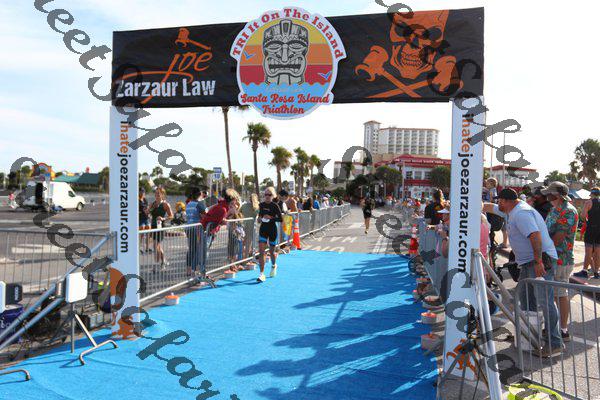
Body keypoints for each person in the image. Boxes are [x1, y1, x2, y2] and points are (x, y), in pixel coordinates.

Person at [483, 188, 562, 357]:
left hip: (539, 261)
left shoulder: (521, 214)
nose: (498, 203)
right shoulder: (511, 210)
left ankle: (554, 343)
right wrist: (473, 205)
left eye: (499, 201)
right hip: (528, 262)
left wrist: (539, 262)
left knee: (545, 301)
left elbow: (535, 236)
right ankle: (529, 335)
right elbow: (489, 207)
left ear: (506, 201)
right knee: (526, 299)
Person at [543, 182, 579, 341]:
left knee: (560, 295)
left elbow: (558, 238)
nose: (546, 196)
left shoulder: (568, 211)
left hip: (561, 260)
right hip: (552, 258)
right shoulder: (555, 209)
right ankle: (554, 326)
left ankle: (563, 330)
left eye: (549, 194)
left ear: (557, 195)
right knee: (553, 296)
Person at [256, 187, 283, 282]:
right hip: (263, 229)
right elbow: (259, 216)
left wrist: (271, 218)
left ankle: (274, 265)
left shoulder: (275, 206)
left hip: (272, 230)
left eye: (269, 195)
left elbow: (280, 219)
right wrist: (259, 219)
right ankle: (261, 274)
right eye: (266, 194)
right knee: (261, 252)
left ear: (273, 196)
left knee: (271, 252)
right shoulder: (261, 205)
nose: (267, 196)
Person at [575, 187, 600, 279]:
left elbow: (582, 216)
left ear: (591, 194)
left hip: (591, 228)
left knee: (588, 251)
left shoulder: (588, 202)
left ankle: (585, 271)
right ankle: (596, 272)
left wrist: (587, 220)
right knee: (598, 251)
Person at [149, 187, 173, 269]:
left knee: (155, 245)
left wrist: (163, 218)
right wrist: (147, 211)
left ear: (162, 194)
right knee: (157, 246)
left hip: (161, 227)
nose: (156, 195)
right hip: (153, 226)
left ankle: (156, 264)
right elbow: (148, 213)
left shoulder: (165, 204)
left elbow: (171, 216)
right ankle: (163, 261)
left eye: (158, 193)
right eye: (155, 193)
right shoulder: (153, 204)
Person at [185, 187, 207, 276]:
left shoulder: (188, 204)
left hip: (189, 228)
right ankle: (197, 270)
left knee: (191, 249)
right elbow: (205, 216)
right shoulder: (199, 204)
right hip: (197, 229)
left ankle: (188, 270)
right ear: (200, 194)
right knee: (199, 250)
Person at [139, 189, 151, 253]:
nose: (142, 193)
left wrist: (149, 213)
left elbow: (148, 208)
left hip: (146, 218)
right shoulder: (137, 200)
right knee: (142, 229)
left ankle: (147, 247)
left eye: (143, 192)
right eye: (141, 192)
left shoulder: (145, 200)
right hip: (140, 218)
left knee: (148, 228)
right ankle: (139, 247)